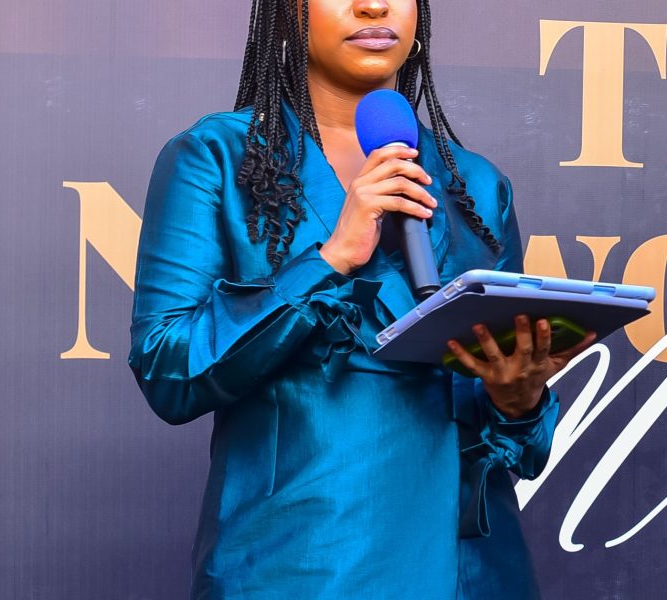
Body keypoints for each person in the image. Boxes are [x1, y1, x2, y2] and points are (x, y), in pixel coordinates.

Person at [128, 0, 589, 597]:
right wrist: (330, 259)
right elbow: (167, 369)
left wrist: (518, 398)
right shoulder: (216, 158)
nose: (374, 4)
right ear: (288, 11)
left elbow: (520, 453)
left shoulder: (476, 185)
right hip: (301, 567)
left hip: (473, 573)